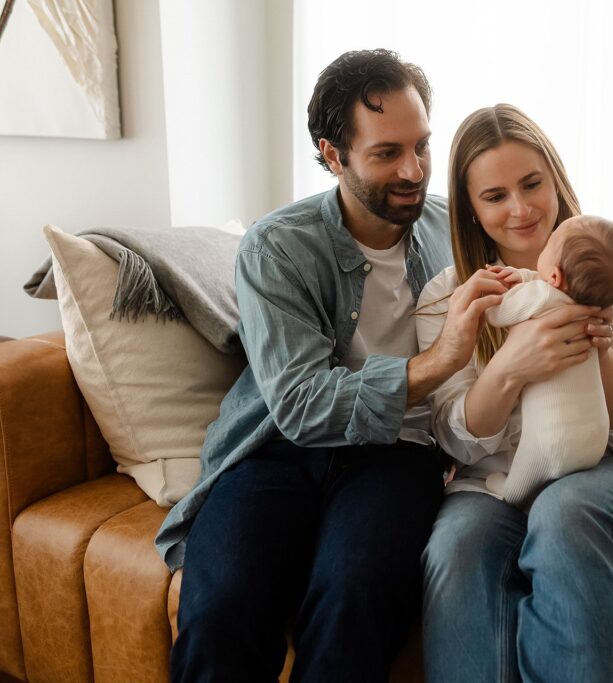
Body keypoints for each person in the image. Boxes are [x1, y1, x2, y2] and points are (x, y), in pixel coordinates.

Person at [154, 49, 511, 682]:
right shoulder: (279, 246)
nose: (415, 170)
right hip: (276, 451)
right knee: (221, 608)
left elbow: (542, 241)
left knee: (354, 599)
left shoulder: (452, 229)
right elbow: (298, 404)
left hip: (397, 453)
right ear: (332, 153)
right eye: (386, 153)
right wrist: (435, 363)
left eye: (422, 146)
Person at [415, 104, 613, 683]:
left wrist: (598, 347)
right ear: (470, 208)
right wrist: (507, 368)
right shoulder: (448, 299)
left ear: (555, 177)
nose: (521, 208)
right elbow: (456, 444)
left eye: (532, 183)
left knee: (563, 513)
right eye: (494, 195)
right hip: (492, 487)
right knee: (456, 551)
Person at [478, 215, 613, 507]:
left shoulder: (540, 297)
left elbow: (496, 314)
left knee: (520, 485)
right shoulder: (594, 311)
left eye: (552, 242)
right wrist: (523, 278)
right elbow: (546, 288)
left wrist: (503, 292)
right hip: (595, 438)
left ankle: (510, 491)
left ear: (554, 276)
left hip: (551, 438)